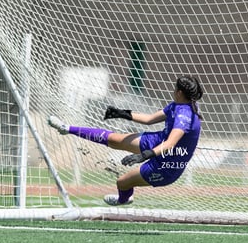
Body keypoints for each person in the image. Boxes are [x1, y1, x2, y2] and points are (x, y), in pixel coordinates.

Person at [48, 75, 204, 206]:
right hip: (158, 141)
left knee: (122, 183)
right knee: (115, 139)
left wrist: (143, 156)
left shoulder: (185, 115)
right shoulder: (177, 105)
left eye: (174, 88)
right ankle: (66, 128)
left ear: (179, 92)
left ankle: (124, 198)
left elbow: (170, 144)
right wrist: (122, 113)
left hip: (167, 164)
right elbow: (149, 119)